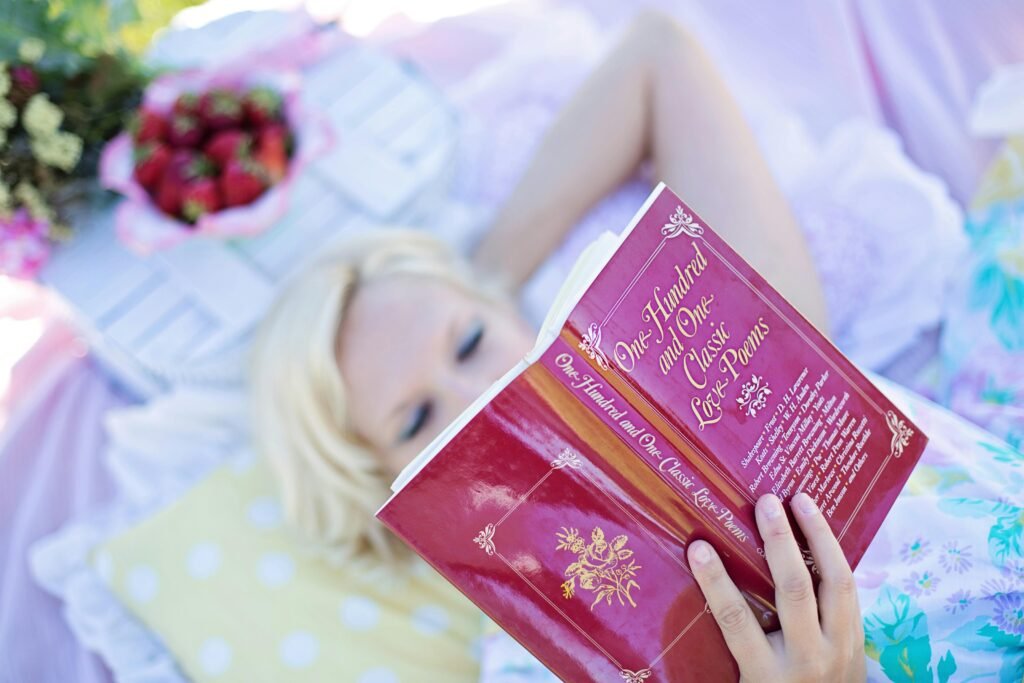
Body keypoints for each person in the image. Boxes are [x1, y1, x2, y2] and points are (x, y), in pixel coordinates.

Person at [251, 11, 1023, 681]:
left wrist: (480, 274)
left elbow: (659, 55)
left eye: (473, 342)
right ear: (389, 484)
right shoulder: (536, 654)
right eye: (415, 419)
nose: (473, 396)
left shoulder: (735, 353)